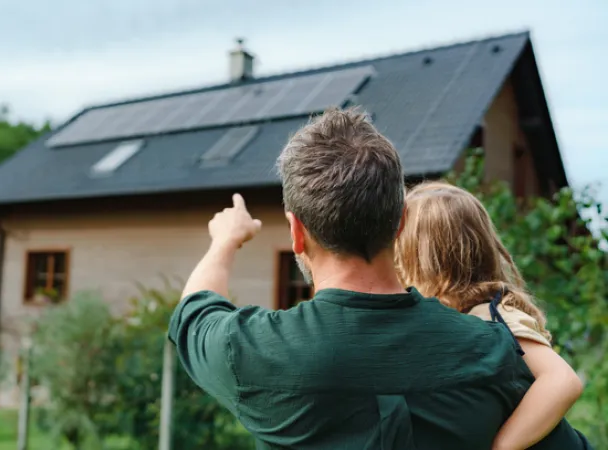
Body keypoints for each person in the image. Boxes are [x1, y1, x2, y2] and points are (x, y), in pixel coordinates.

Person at [167, 108, 589, 449]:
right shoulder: (494, 351)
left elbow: (195, 309)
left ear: (297, 233)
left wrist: (226, 240)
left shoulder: (250, 351)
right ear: (400, 221)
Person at [394, 181, 592, 450]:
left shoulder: (493, 315)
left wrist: (500, 447)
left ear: (417, 258)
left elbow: (562, 381)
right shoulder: (454, 317)